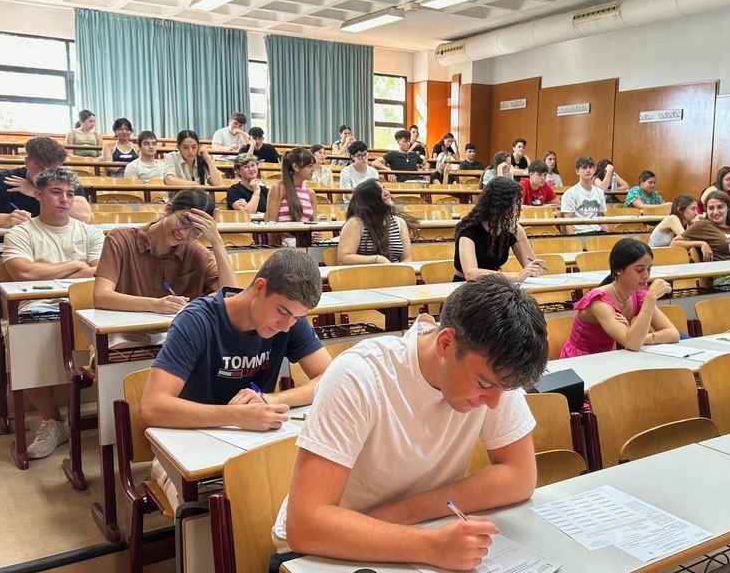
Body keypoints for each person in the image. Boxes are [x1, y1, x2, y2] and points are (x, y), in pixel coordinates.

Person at [271, 274, 548, 572]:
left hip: (417, 531)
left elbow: (520, 476)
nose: (493, 402)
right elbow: (306, 525)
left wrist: (403, 514)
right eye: (482, 384)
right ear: (445, 343)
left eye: (501, 390)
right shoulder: (360, 375)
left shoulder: (495, 373)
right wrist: (430, 545)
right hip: (318, 555)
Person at [140, 249, 333, 507]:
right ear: (260, 287)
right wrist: (236, 416)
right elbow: (151, 407)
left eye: (297, 318)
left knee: (311, 491)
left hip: (253, 444)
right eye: (282, 312)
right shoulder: (196, 321)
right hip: (185, 448)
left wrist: (269, 399)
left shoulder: (290, 323)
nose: (286, 326)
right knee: (227, 508)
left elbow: (330, 377)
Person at [1, 168, 103, 460]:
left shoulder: (89, 232)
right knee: (20, 341)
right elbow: (22, 271)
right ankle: (52, 422)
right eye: (56, 192)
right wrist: (74, 265)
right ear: (38, 194)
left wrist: (49, 269)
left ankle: (111, 418)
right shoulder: (22, 232)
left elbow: (100, 270)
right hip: (37, 305)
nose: (64, 200)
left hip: (86, 305)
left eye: (70, 194)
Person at [94, 188, 236, 315]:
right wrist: (155, 305)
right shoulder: (120, 240)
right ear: (168, 209)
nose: (184, 234)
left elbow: (230, 295)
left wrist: (216, 241)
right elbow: (101, 296)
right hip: (124, 328)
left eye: (197, 231)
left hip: (176, 332)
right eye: (184, 222)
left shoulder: (195, 251)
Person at [560, 239, 679, 357]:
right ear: (618, 270)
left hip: (611, 357)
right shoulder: (599, 302)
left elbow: (673, 333)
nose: (646, 275)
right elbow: (632, 343)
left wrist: (644, 337)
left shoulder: (638, 294)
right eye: (639, 270)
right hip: (581, 360)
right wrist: (651, 298)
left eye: (649, 269)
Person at [0, 136, 91, 228]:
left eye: (52, 169)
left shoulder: (66, 180)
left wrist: (36, 193)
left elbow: (84, 216)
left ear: (60, 166)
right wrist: (5, 219)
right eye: (39, 168)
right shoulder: (3, 179)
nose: (45, 174)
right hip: (15, 245)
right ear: (27, 162)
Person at [454, 177, 543, 282]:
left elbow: (535, 269)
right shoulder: (470, 228)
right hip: (466, 287)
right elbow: (471, 273)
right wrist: (517, 276)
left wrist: (520, 234)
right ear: (501, 205)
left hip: (495, 286)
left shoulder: (508, 229)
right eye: (515, 203)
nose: (518, 208)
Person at [672, 191, 730, 287]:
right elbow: (674, 243)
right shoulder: (703, 225)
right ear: (706, 210)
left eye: (720, 207)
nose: (715, 212)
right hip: (727, 278)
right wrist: (701, 243)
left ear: (728, 208)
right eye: (711, 208)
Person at [336, 179, 414, 265]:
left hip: (396, 274)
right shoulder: (356, 223)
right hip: (365, 275)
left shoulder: (400, 223)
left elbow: (407, 259)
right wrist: (377, 259)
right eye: (379, 191)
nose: (386, 193)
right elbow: (343, 258)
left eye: (384, 188)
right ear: (369, 200)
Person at [560, 156, 608, 234]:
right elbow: (568, 223)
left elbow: (601, 217)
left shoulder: (599, 192)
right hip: (580, 233)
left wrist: (608, 233)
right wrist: (573, 240)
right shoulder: (570, 193)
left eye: (590, 167)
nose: (588, 170)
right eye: (584, 168)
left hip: (598, 231)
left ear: (594, 170)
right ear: (577, 171)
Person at [266, 148, 317, 222]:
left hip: (306, 233)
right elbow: (271, 225)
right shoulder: (278, 189)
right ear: (295, 167)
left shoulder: (311, 194)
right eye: (309, 166)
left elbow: (314, 224)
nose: (313, 170)